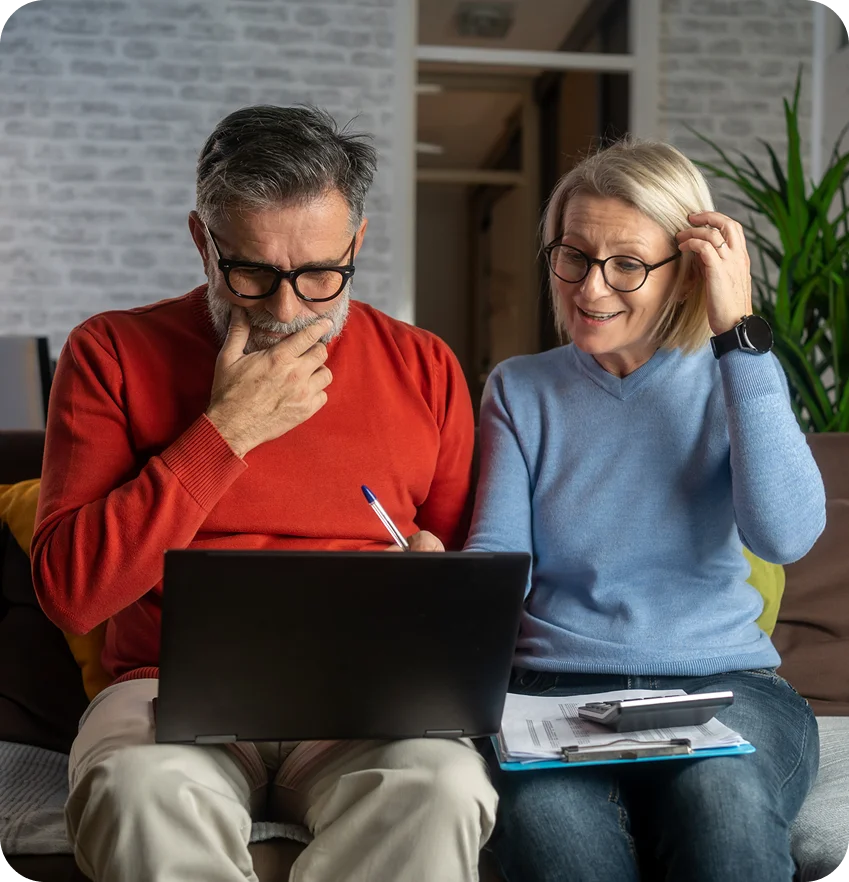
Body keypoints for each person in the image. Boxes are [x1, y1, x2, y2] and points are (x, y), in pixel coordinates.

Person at [31, 105, 497, 882]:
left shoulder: (425, 366)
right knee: (135, 788)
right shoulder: (110, 351)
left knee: (445, 786)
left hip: (368, 702)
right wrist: (226, 434)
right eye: (251, 272)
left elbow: (461, 582)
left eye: (320, 274)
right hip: (164, 694)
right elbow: (75, 596)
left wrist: (433, 573)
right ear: (202, 243)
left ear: (357, 242)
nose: (287, 311)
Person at [465, 138, 826, 882]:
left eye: (626, 264)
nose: (590, 289)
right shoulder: (519, 389)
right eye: (573, 256)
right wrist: (438, 580)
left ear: (687, 270)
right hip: (557, 694)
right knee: (546, 824)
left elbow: (785, 534)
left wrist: (738, 339)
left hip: (725, 686)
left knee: (718, 796)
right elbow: (501, 566)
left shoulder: (736, 375)